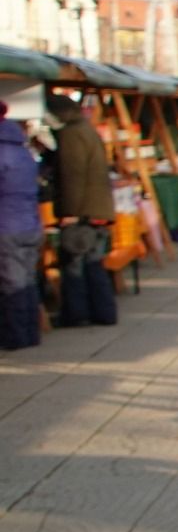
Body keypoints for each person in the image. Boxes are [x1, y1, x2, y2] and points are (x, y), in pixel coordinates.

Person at [44, 95, 115, 327]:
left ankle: (76, 313)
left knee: (74, 264)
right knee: (94, 264)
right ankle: (103, 312)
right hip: (97, 209)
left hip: (81, 211)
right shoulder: (86, 128)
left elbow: (71, 177)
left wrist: (70, 212)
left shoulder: (71, 134)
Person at [0, 103, 43, 349]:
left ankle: (17, 337)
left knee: (13, 284)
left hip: (8, 226)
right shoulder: (22, 150)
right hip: (29, 223)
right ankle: (30, 333)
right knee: (26, 281)